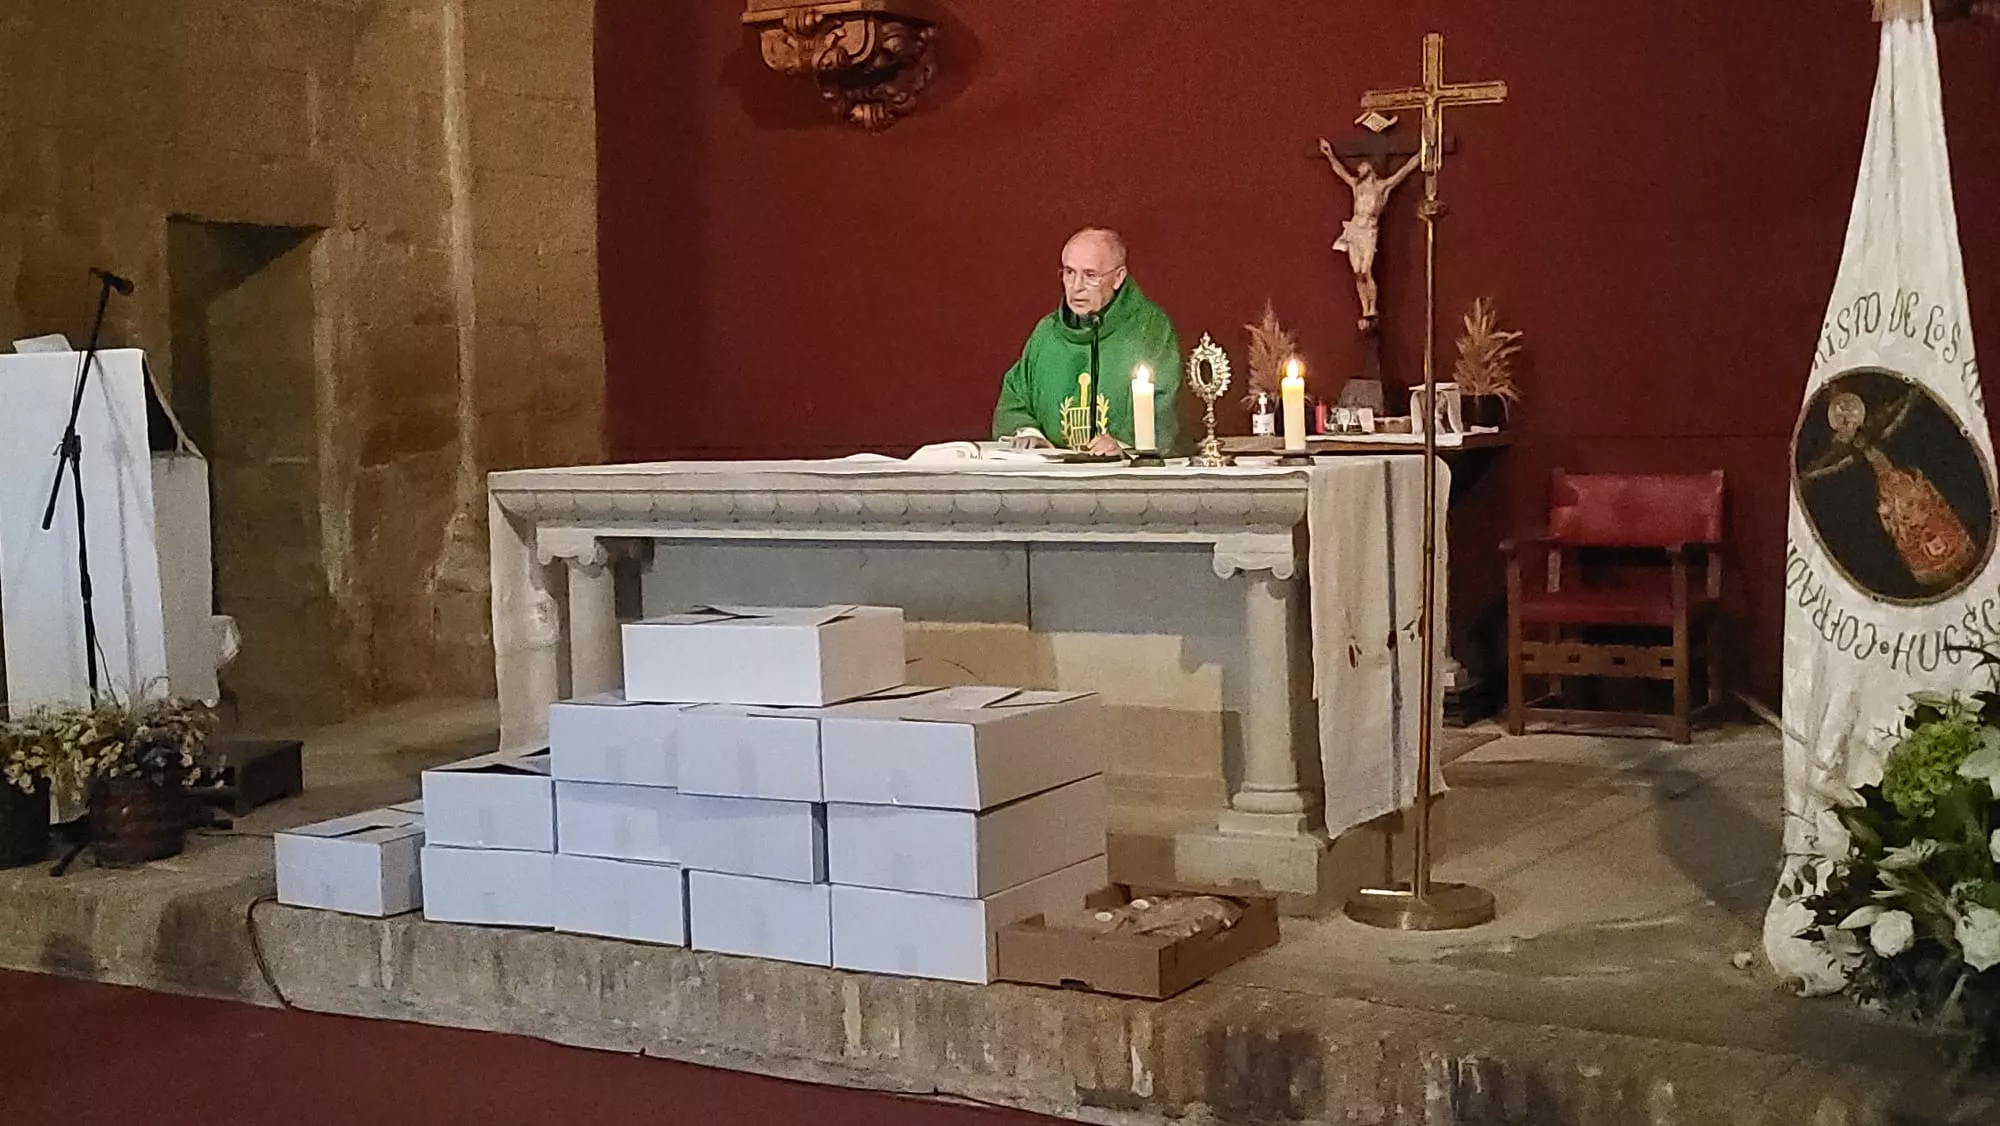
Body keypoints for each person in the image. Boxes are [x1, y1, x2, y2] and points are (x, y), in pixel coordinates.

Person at [992, 227, 1182, 454]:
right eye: (1069, 273)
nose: (1076, 287)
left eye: (1090, 275)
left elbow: (1164, 410)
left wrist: (1122, 447)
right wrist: (1030, 434)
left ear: (1118, 277)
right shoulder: (1047, 333)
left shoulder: (1150, 329)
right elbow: (1015, 399)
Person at [1318, 140, 1421, 328]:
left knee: (1366, 270)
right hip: (1355, 230)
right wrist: (1329, 153)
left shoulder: (1382, 187)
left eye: (1362, 165)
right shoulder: (1356, 186)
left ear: (1371, 168)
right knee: (1357, 272)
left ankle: (1372, 307)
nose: (1359, 168)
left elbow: (1404, 171)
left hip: (1369, 232)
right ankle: (1365, 308)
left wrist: (1420, 155)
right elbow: (1340, 171)